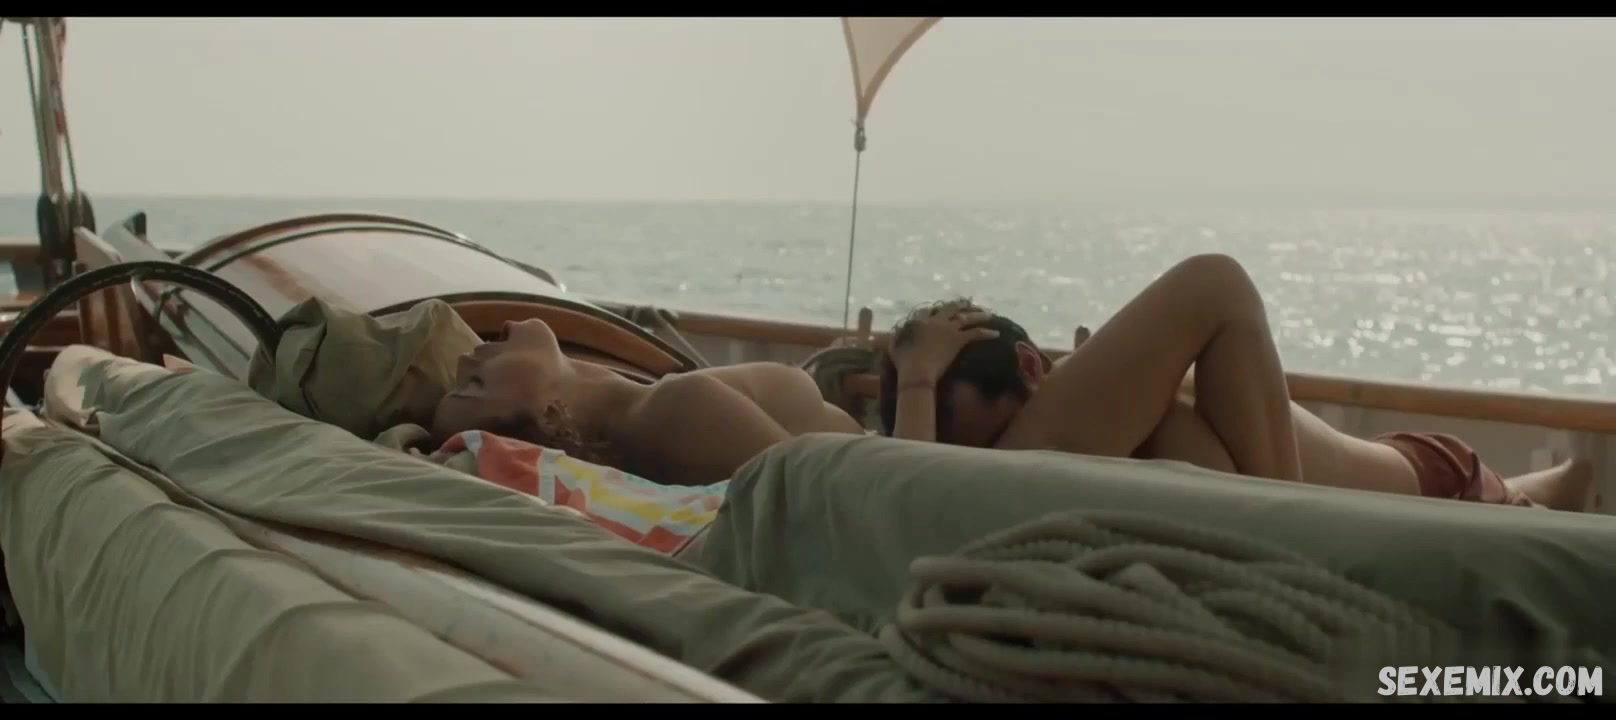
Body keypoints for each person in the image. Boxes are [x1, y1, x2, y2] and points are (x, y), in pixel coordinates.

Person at [877, 253, 1593, 511]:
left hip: (1433, 484)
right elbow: (929, 492)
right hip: (1406, 462)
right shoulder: (1113, 420)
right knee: (1543, 489)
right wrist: (915, 379)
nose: (1001, 468)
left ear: (1033, 369)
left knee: (1535, 502)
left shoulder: (1072, 414)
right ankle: (1552, 484)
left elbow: (1215, 280)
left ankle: (1550, 487)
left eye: (1003, 441)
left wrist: (915, 382)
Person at [430, 318, 863, 487]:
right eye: (475, 383)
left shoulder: (648, 403)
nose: (466, 357)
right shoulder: (678, 414)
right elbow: (836, 502)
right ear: (550, 418)